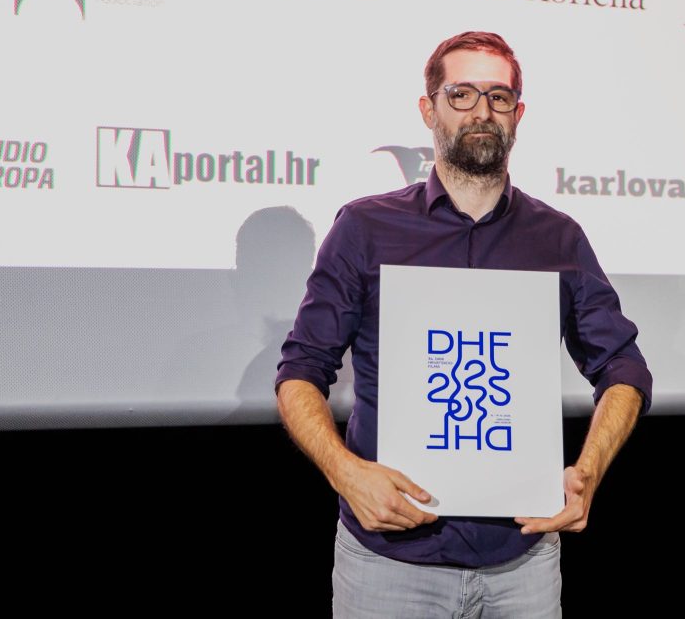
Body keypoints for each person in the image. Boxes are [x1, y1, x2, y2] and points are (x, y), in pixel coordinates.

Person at [275, 30, 652, 617]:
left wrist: (589, 471)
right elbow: (301, 369)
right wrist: (345, 473)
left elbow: (623, 368)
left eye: (499, 97)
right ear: (429, 110)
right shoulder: (366, 229)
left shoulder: (558, 238)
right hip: (389, 566)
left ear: (518, 115)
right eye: (462, 94)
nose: (482, 110)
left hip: (522, 564)